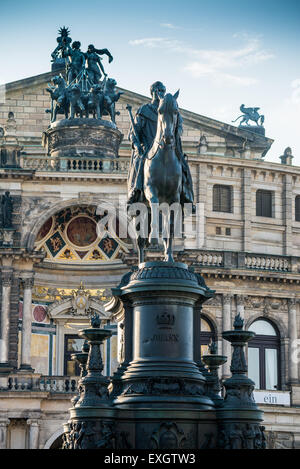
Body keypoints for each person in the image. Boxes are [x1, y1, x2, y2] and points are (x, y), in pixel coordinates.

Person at [127, 81, 194, 207]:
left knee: (184, 164)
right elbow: (133, 134)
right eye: (159, 91)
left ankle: (187, 194)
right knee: (139, 161)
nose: (161, 94)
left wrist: (176, 132)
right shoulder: (144, 110)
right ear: (152, 93)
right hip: (148, 148)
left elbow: (179, 126)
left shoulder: (172, 110)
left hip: (169, 145)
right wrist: (136, 146)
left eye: (163, 91)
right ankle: (136, 191)